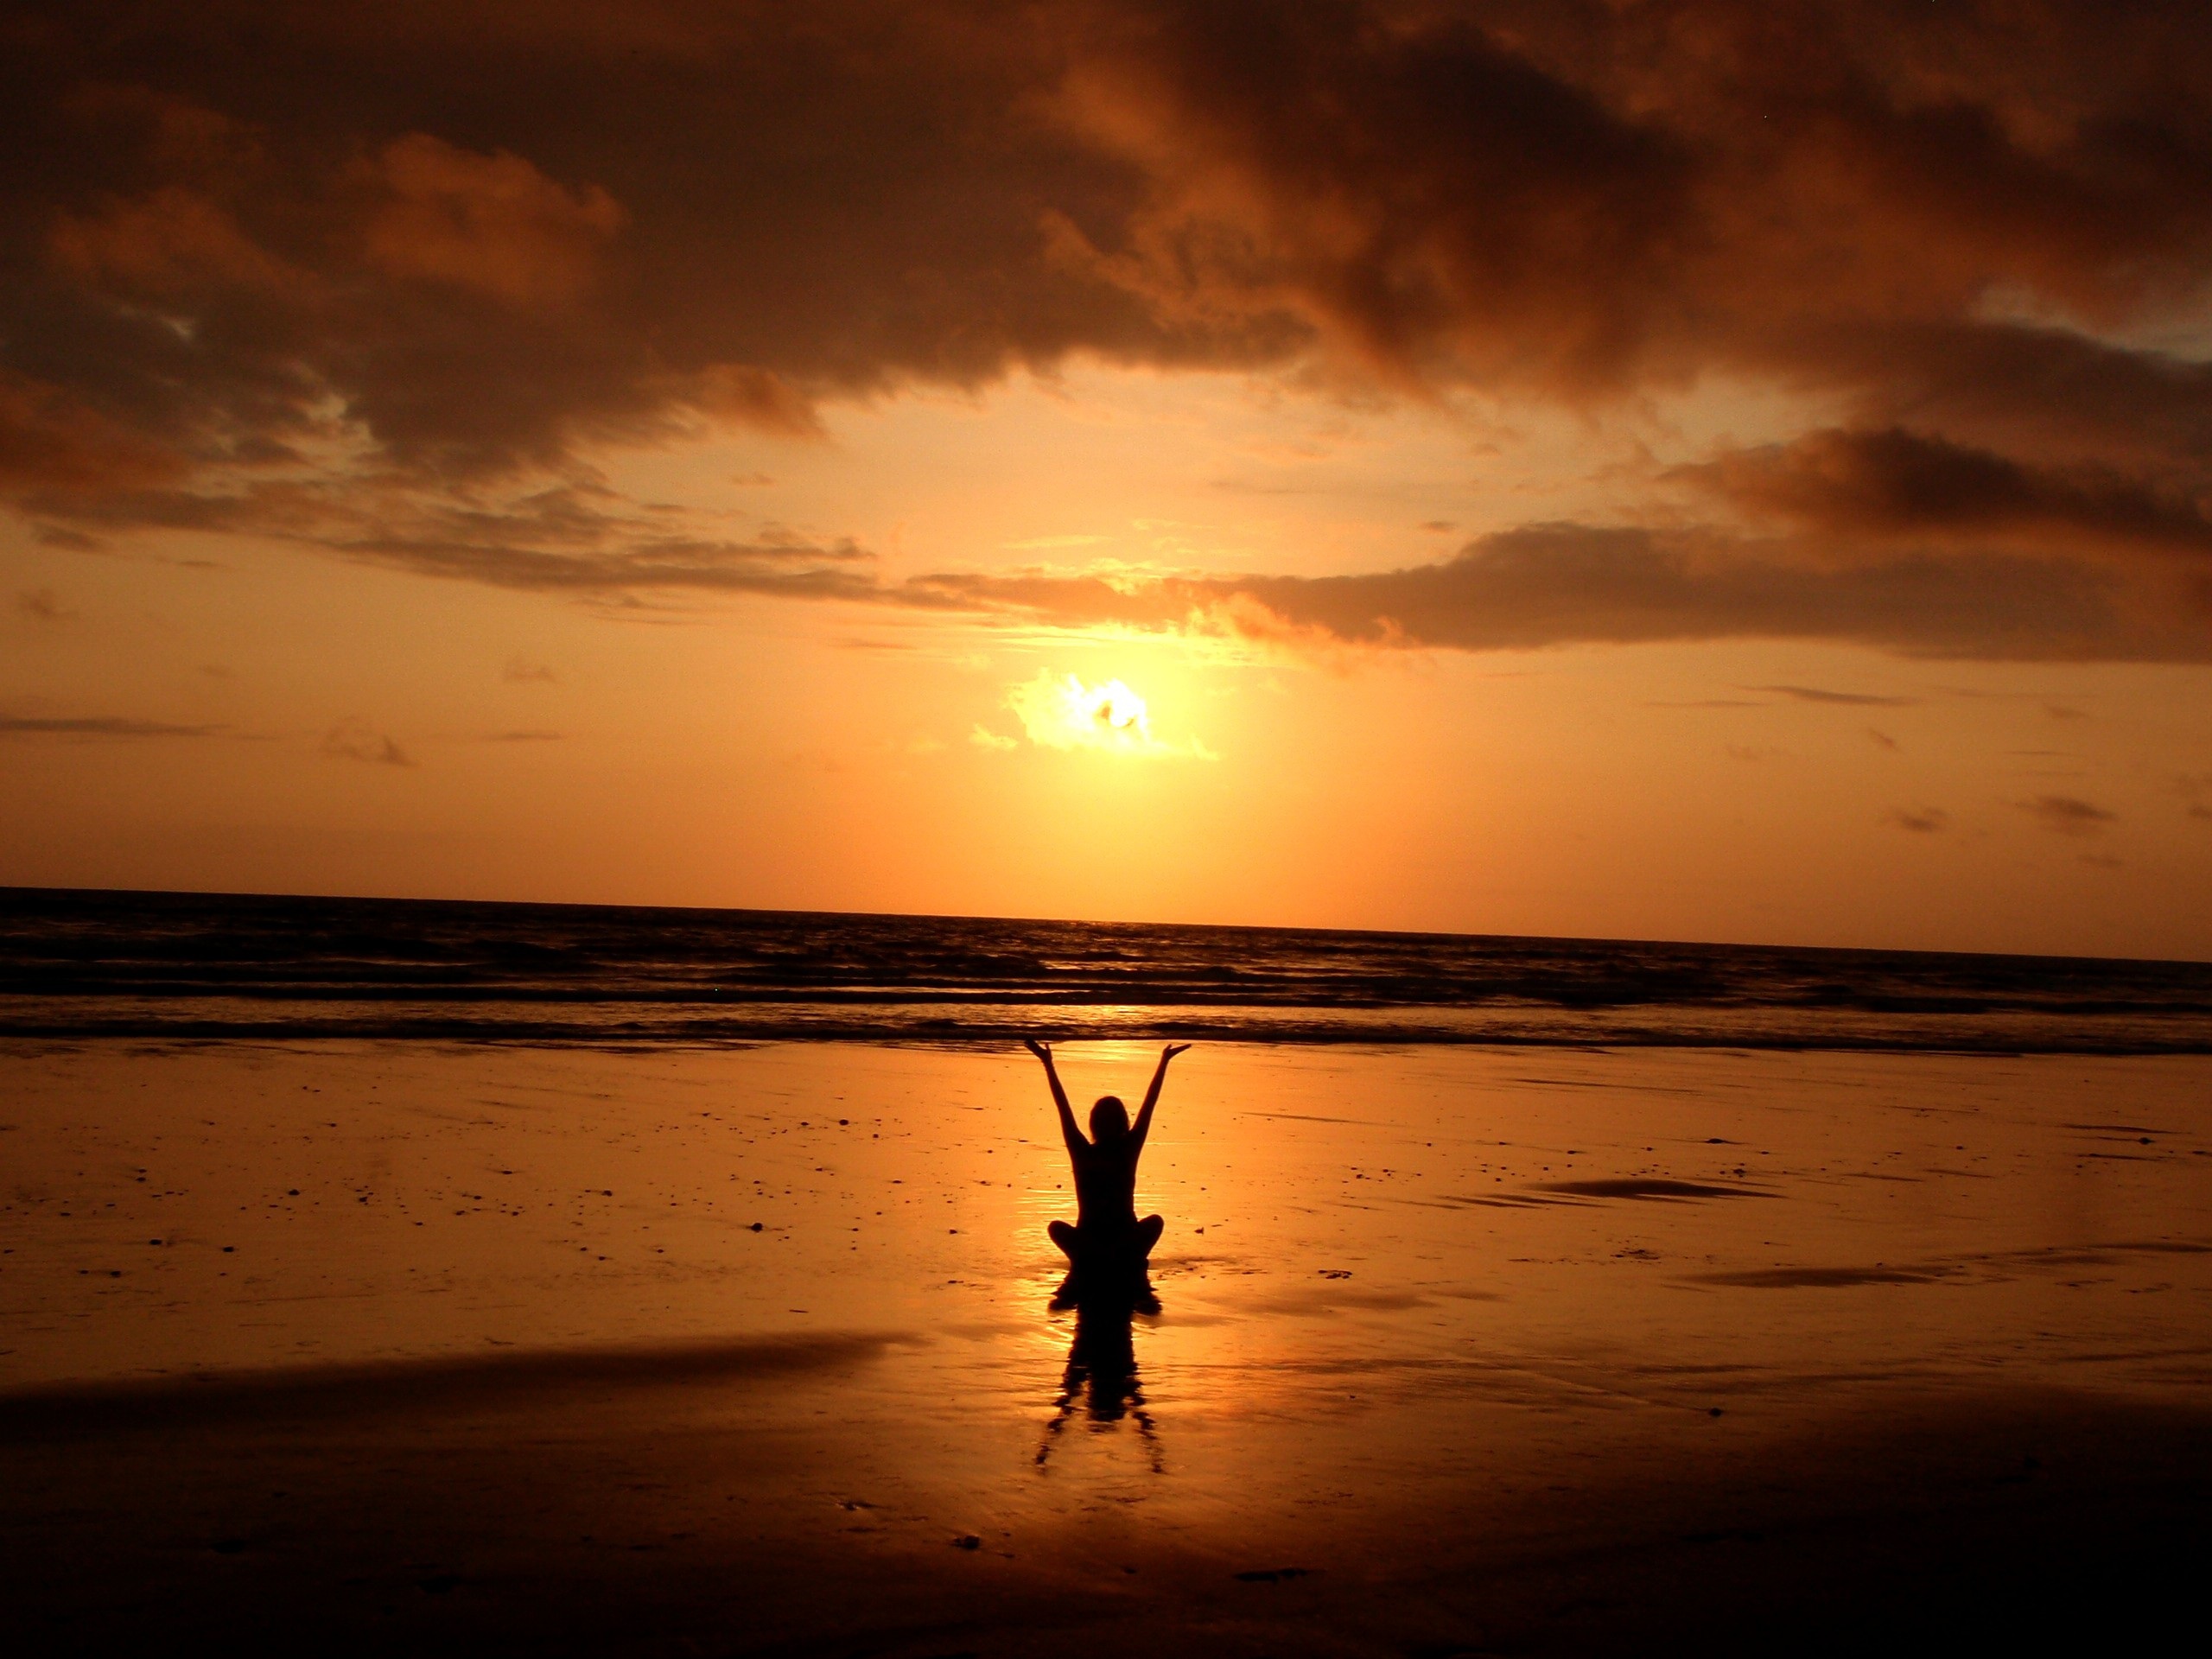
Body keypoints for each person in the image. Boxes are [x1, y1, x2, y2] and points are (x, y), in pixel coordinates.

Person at [1026, 1038, 1189, 1274]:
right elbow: (1149, 1104)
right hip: (1122, 1241)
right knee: (1154, 1222)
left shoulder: (1086, 1151)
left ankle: (1097, 1258)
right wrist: (1163, 1062)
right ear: (1123, 1122)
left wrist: (1048, 1064)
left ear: (1094, 1123)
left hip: (1091, 1242)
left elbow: (1064, 1107)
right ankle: (1117, 1257)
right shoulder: (1126, 1148)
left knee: (1058, 1229)